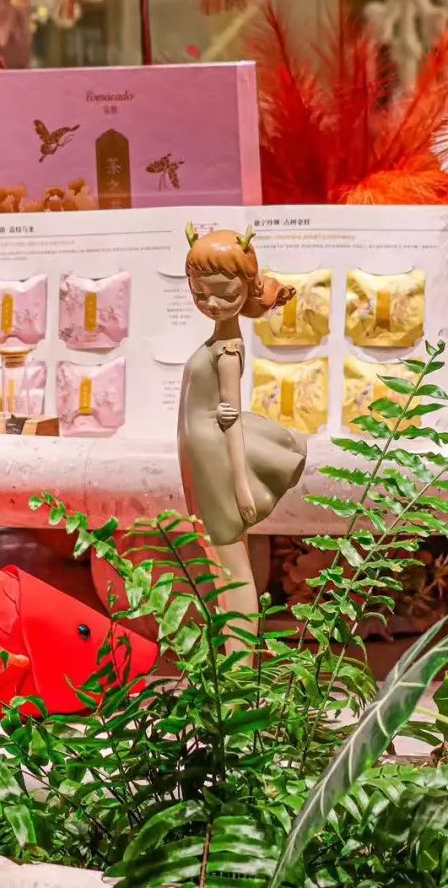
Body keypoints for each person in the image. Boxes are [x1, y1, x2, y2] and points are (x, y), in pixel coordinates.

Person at [179, 226, 308, 639]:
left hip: (216, 458)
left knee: (231, 565)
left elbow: (231, 418)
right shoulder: (217, 343)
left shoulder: (228, 351)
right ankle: (231, 654)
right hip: (200, 457)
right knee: (218, 563)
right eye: (200, 293)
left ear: (246, 288)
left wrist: (241, 486)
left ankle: (239, 659)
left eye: (224, 294)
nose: (211, 303)